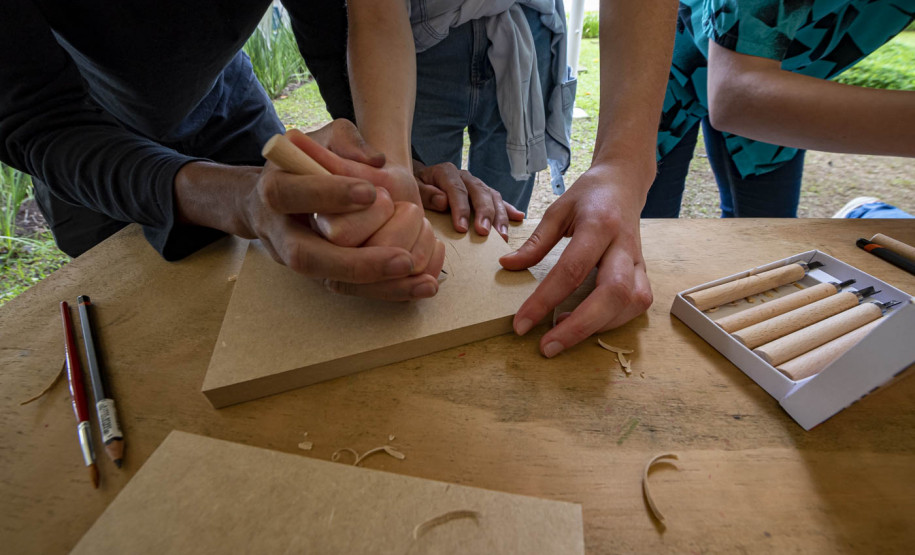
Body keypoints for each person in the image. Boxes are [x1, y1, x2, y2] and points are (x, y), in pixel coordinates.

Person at [644, 0, 915, 218]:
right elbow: (736, 97)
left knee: (764, 243)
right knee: (645, 241)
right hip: (670, 61)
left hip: (787, 84)